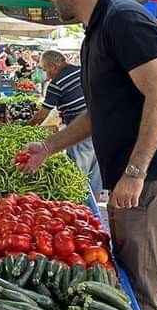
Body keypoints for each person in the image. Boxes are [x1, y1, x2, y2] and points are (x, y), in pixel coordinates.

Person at [16, 0, 157, 310]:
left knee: (136, 287)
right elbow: (102, 112)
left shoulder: (123, 21)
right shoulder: (97, 31)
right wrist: (49, 147)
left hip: (155, 176)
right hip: (137, 177)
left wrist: (135, 171)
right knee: (126, 278)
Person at [29, 49, 102, 198]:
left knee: (75, 175)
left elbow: (41, 116)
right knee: (96, 176)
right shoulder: (83, 70)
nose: (46, 74)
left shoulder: (56, 84)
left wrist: (24, 127)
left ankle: (78, 207)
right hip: (103, 127)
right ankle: (92, 211)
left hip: (80, 131)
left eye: (45, 69)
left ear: (53, 66)